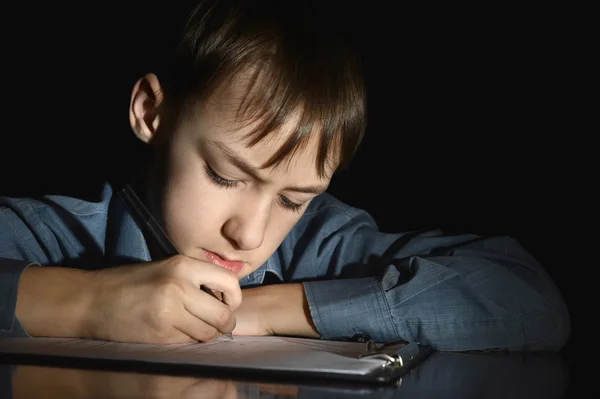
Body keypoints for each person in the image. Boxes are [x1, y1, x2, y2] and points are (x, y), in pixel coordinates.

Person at [0, 0, 570, 351]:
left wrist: (259, 312)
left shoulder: (323, 242)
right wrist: (87, 305)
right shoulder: (61, 235)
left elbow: (532, 300)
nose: (250, 236)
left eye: (294, 199)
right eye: (225, 177)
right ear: (151, 113)